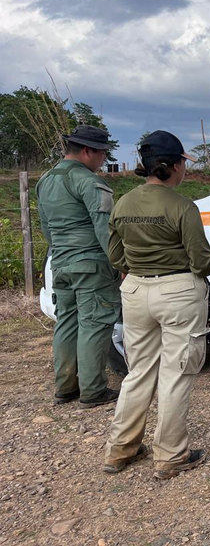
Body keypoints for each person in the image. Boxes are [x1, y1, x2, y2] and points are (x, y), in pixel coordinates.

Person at [102, 131, 210, 479]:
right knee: (176, 374)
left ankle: (120, 449)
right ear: (174, 166)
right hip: (178, 291)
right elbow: (202, 262)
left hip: (136, 291)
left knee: (138, 372)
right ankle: (170, 456)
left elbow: (115, 255)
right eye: (183, 163)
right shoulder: (182, 207)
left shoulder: (123, 203)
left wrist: (138, 267)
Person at [36, 125, 121, 408]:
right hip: (92, 265)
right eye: (102, 154)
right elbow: (105, 229)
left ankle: (65, 387)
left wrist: (62, 254)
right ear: (87, 151)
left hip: (61, 263)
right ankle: (93, 390)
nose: (103, 160)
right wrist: (120, 264)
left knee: (67, 323)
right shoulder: (88, 181)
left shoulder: (45, 180)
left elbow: (46, 228)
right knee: (94, 324)